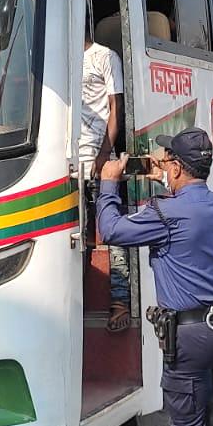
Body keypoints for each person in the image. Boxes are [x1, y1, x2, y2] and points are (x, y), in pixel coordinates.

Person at [97, 128, 213, 426]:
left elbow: (112, 230)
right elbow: (187, 216)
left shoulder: (165, 213)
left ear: (177, 169)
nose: (161, 165)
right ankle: (204, 408)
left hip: (192, 333)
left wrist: (108, 185)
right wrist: (166, 188)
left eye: (165, 160)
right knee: (199, 373)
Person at [78, 28, 133, 332]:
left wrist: (103, 155)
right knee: (78, 237)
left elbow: (116, 108)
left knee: (112, 233)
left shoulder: (104, 56)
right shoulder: (59, 59)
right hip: (69, 162)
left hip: (98, 159)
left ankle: (120, 301)